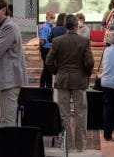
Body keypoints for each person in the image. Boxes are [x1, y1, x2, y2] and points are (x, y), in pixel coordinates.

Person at [45, 14, 95, 152]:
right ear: (76, 26)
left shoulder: (57, 41)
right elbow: (90, 62)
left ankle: (66, 144)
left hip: (62, 79)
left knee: (64, 113)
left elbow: (48, 61)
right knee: (81, 113)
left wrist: (57, 72)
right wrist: (87, 73)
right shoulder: (84, 41)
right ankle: (81, 145)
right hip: (79, 80)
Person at [38, 11, 55, 88]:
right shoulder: (45, 27)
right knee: (46, 68)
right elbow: (42, 41)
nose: (53, 19)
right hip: (45, 49)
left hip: (50, 48)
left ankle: (49, 86)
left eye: (54, 17)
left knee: (49, 69)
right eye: (51, 17)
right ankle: (42, 86)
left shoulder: (52, 27)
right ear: (47, 17)